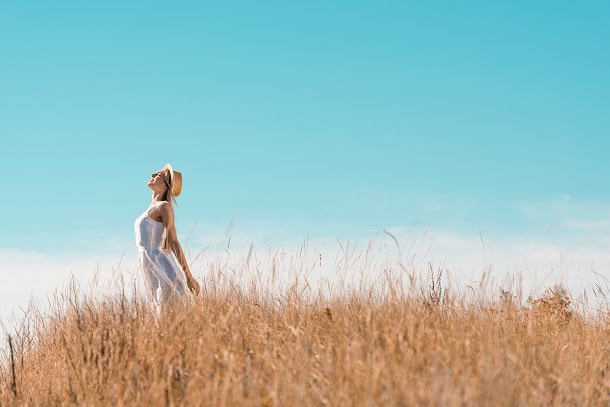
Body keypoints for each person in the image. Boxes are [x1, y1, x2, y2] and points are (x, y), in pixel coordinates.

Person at [134, 164, 200, 307]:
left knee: (165, 310)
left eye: (158, 175)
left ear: (166, 184)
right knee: (158, 312)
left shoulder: (164, 206)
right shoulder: (151, 208)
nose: (152, 175)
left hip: (163, 268)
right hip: (151, 266)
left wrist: (189, 277)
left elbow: (174, 241)